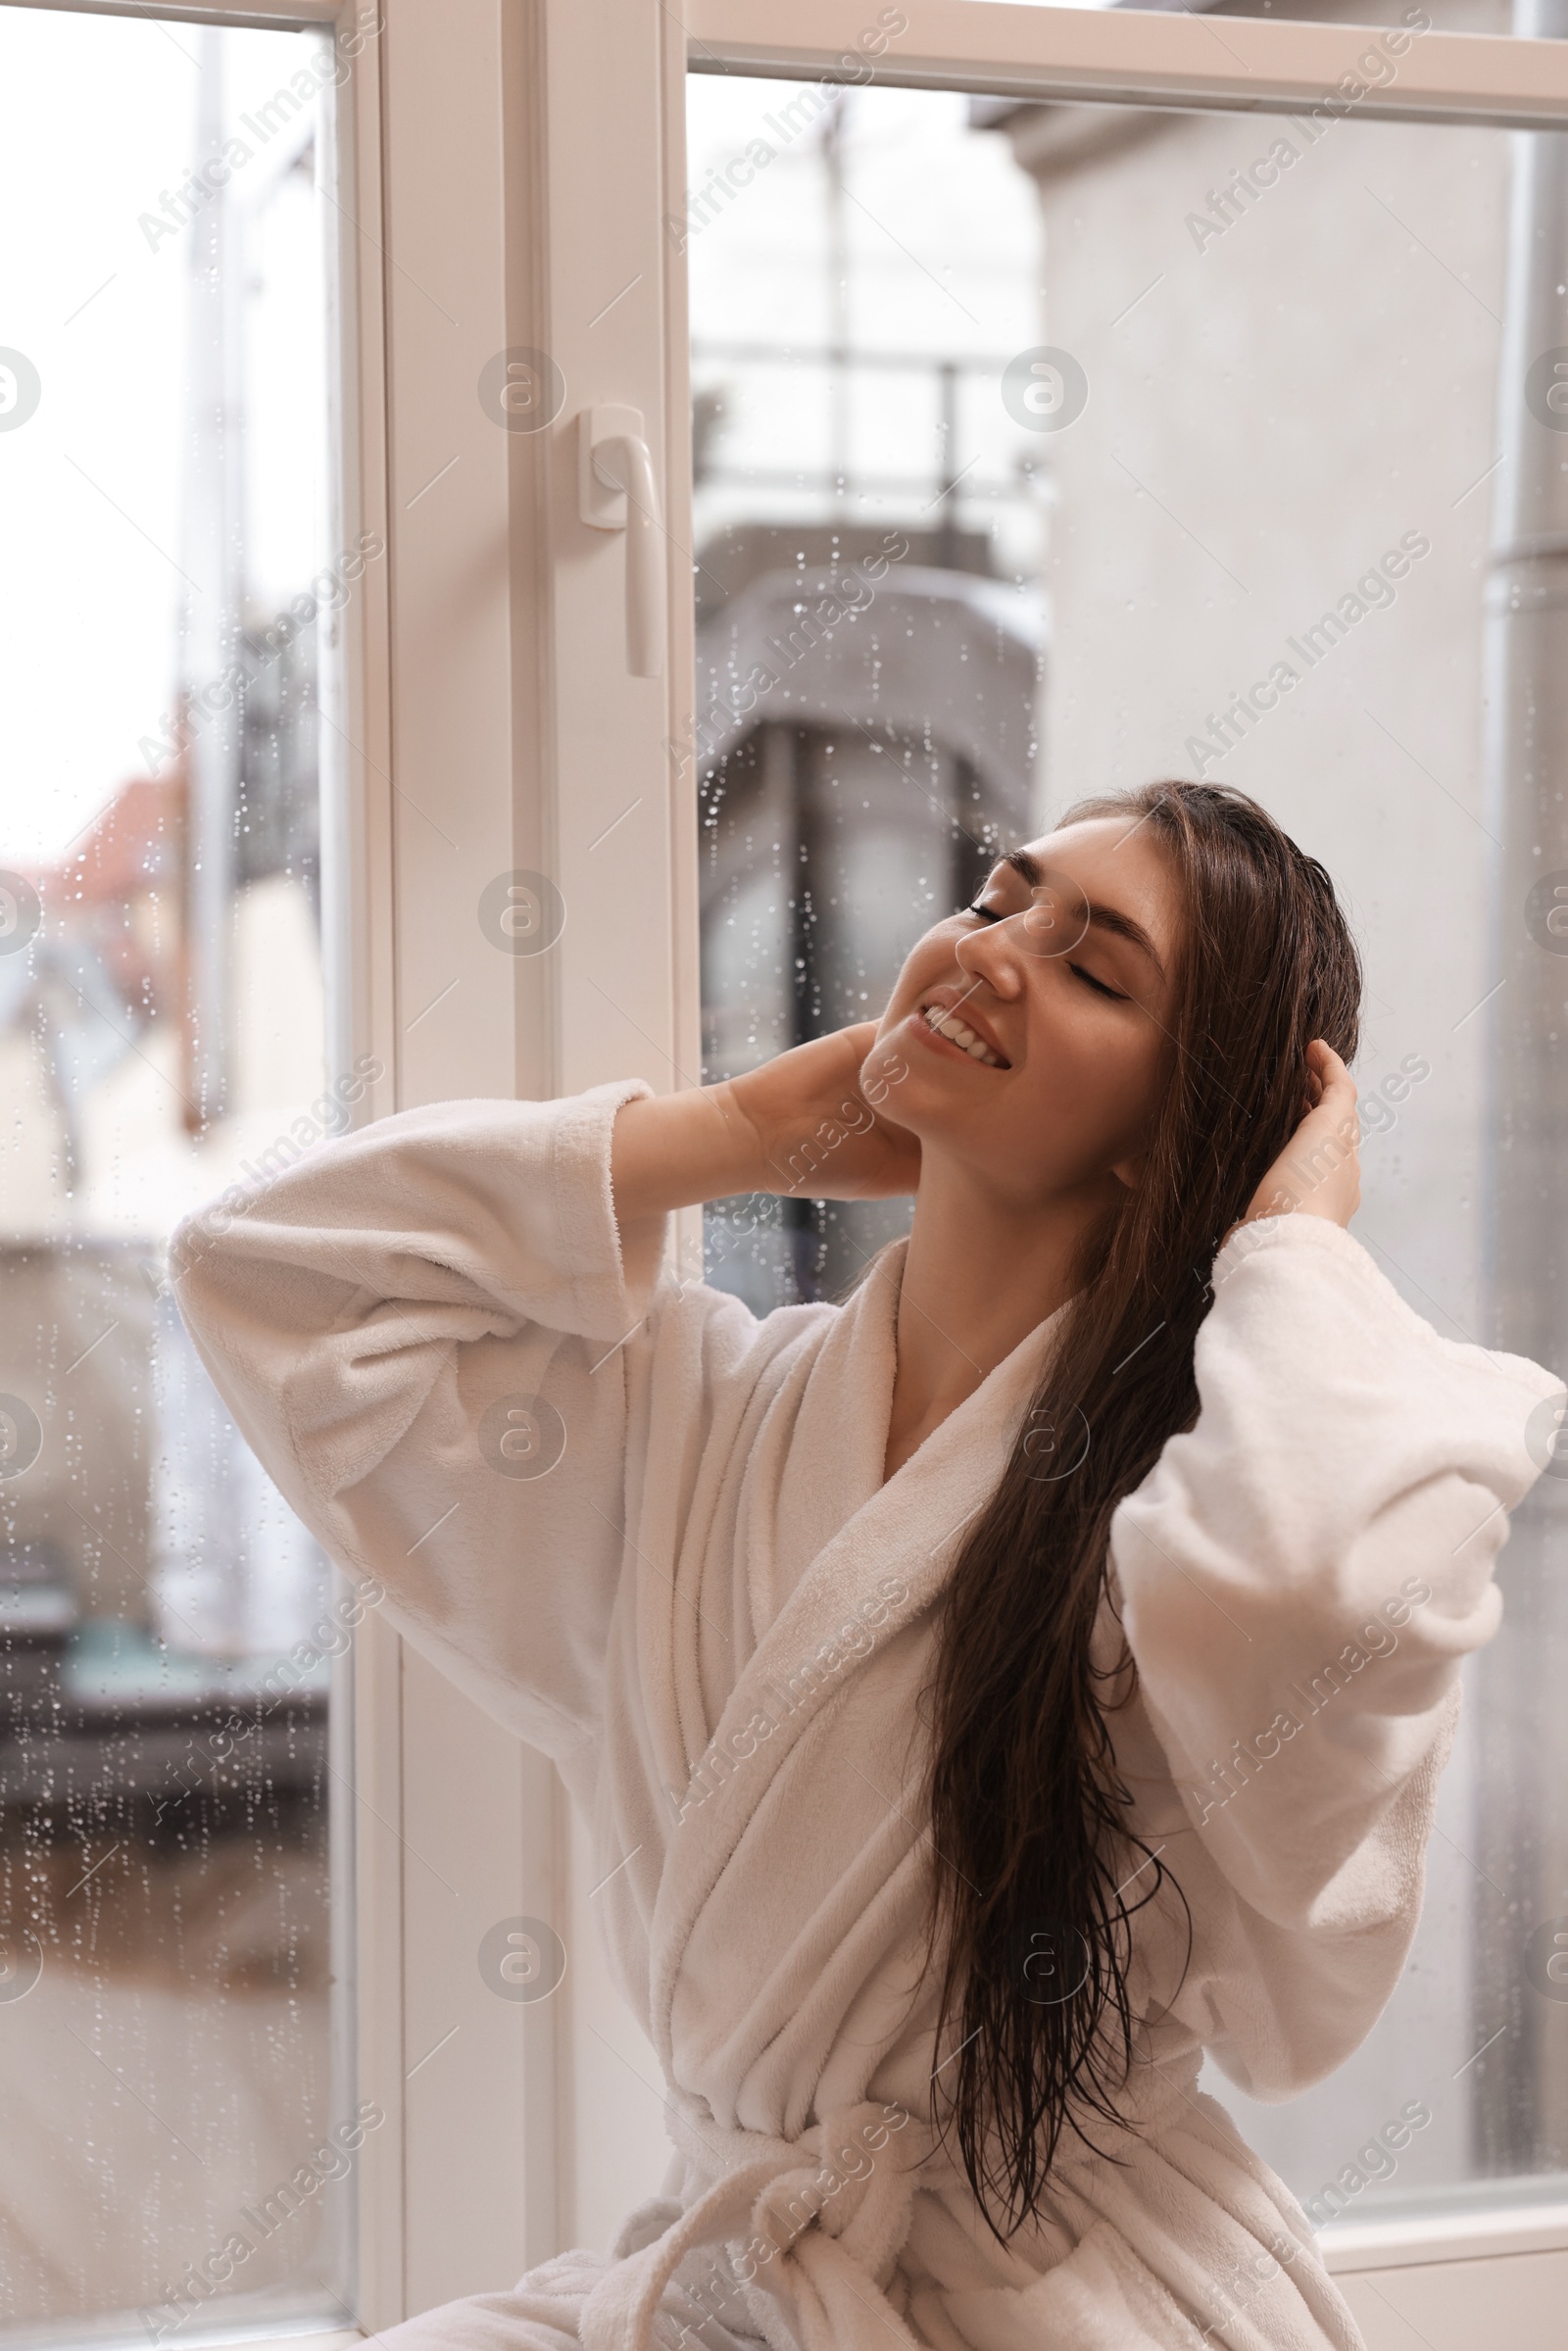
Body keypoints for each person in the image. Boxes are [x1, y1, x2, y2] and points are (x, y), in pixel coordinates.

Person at [171, 780, 1559, 2351]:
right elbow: (267, 1281)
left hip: (1071, 2302)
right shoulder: (696, 1426)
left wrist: (1291, 1249)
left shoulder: (1194, 1505)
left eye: (1097, 969)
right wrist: (741, 1130)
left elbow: (1315, 1589)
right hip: (734, 2274)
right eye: (993, 902)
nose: (994, 950)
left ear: (1171, 1141)